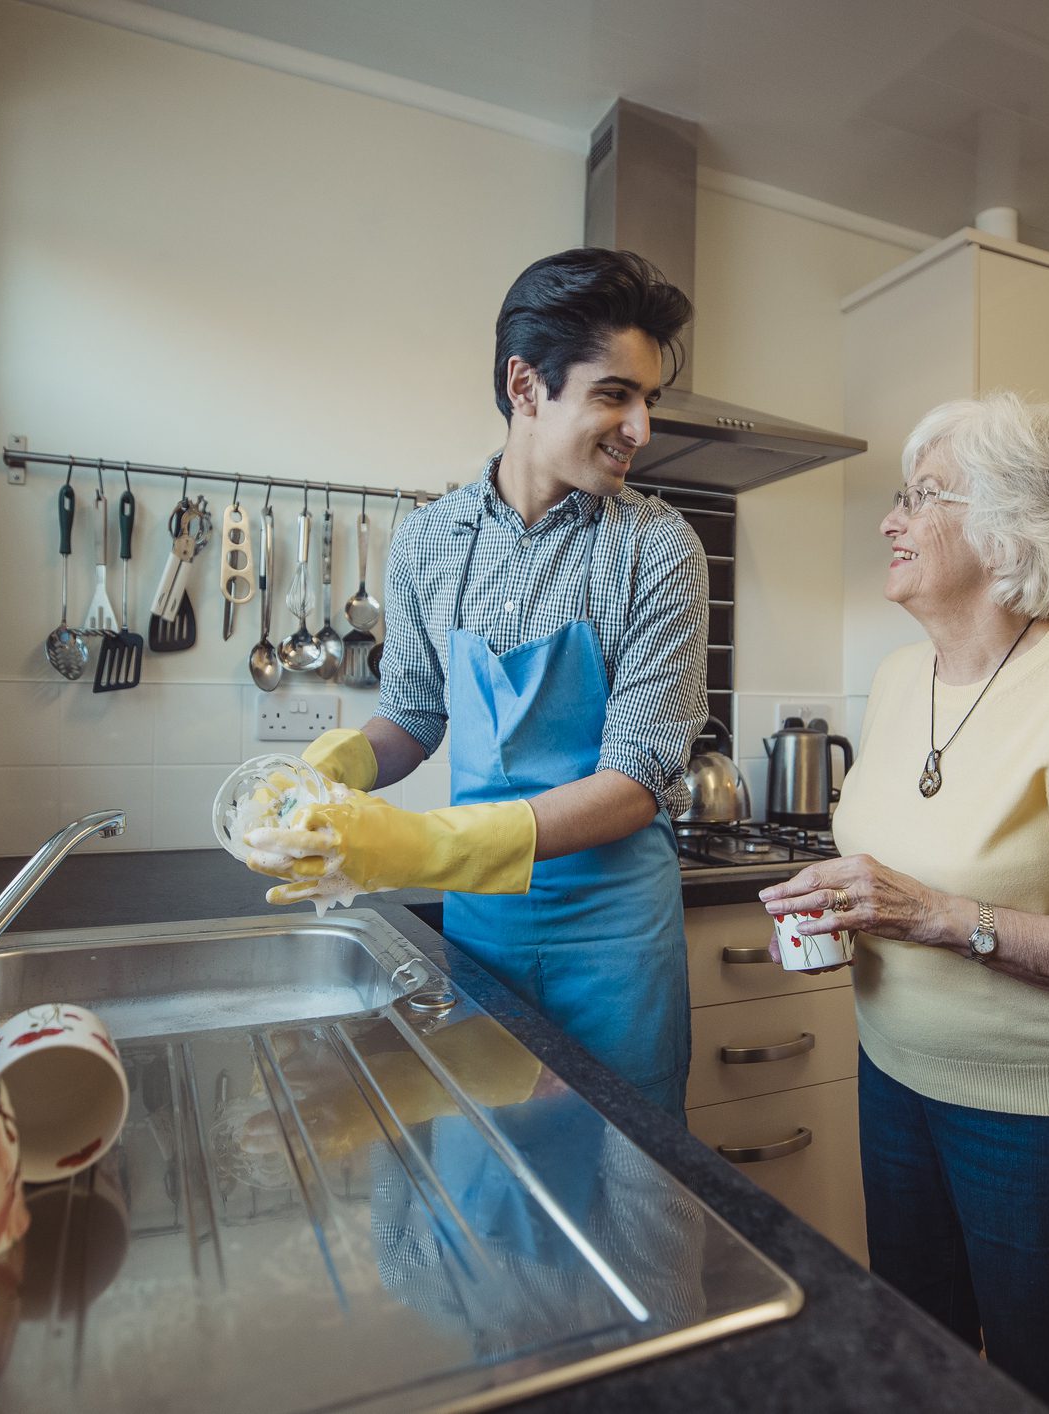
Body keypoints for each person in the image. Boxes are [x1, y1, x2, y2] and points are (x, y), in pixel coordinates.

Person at [759, 392, 1049, 1414]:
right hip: (897, 1070)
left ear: (1007, 530)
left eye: (920, 497)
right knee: (918, 1344)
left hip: (1038, 1111)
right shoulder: (901, 675)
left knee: (1043, 1368)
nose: (889, 519)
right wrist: (849, 900)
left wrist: (936, 915)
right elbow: (906, 854)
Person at [247, 248, 708, 1116]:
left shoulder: (657, 549)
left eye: (649, 400)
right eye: (614, 394)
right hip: (482, 933)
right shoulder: (429, 541)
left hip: (614, 946)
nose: (641, 427)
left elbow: (638, 781)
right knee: (490, 1168)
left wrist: (427, 848)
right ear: (526, 386)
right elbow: (413, 716)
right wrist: (333, 769)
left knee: (624, 1183)